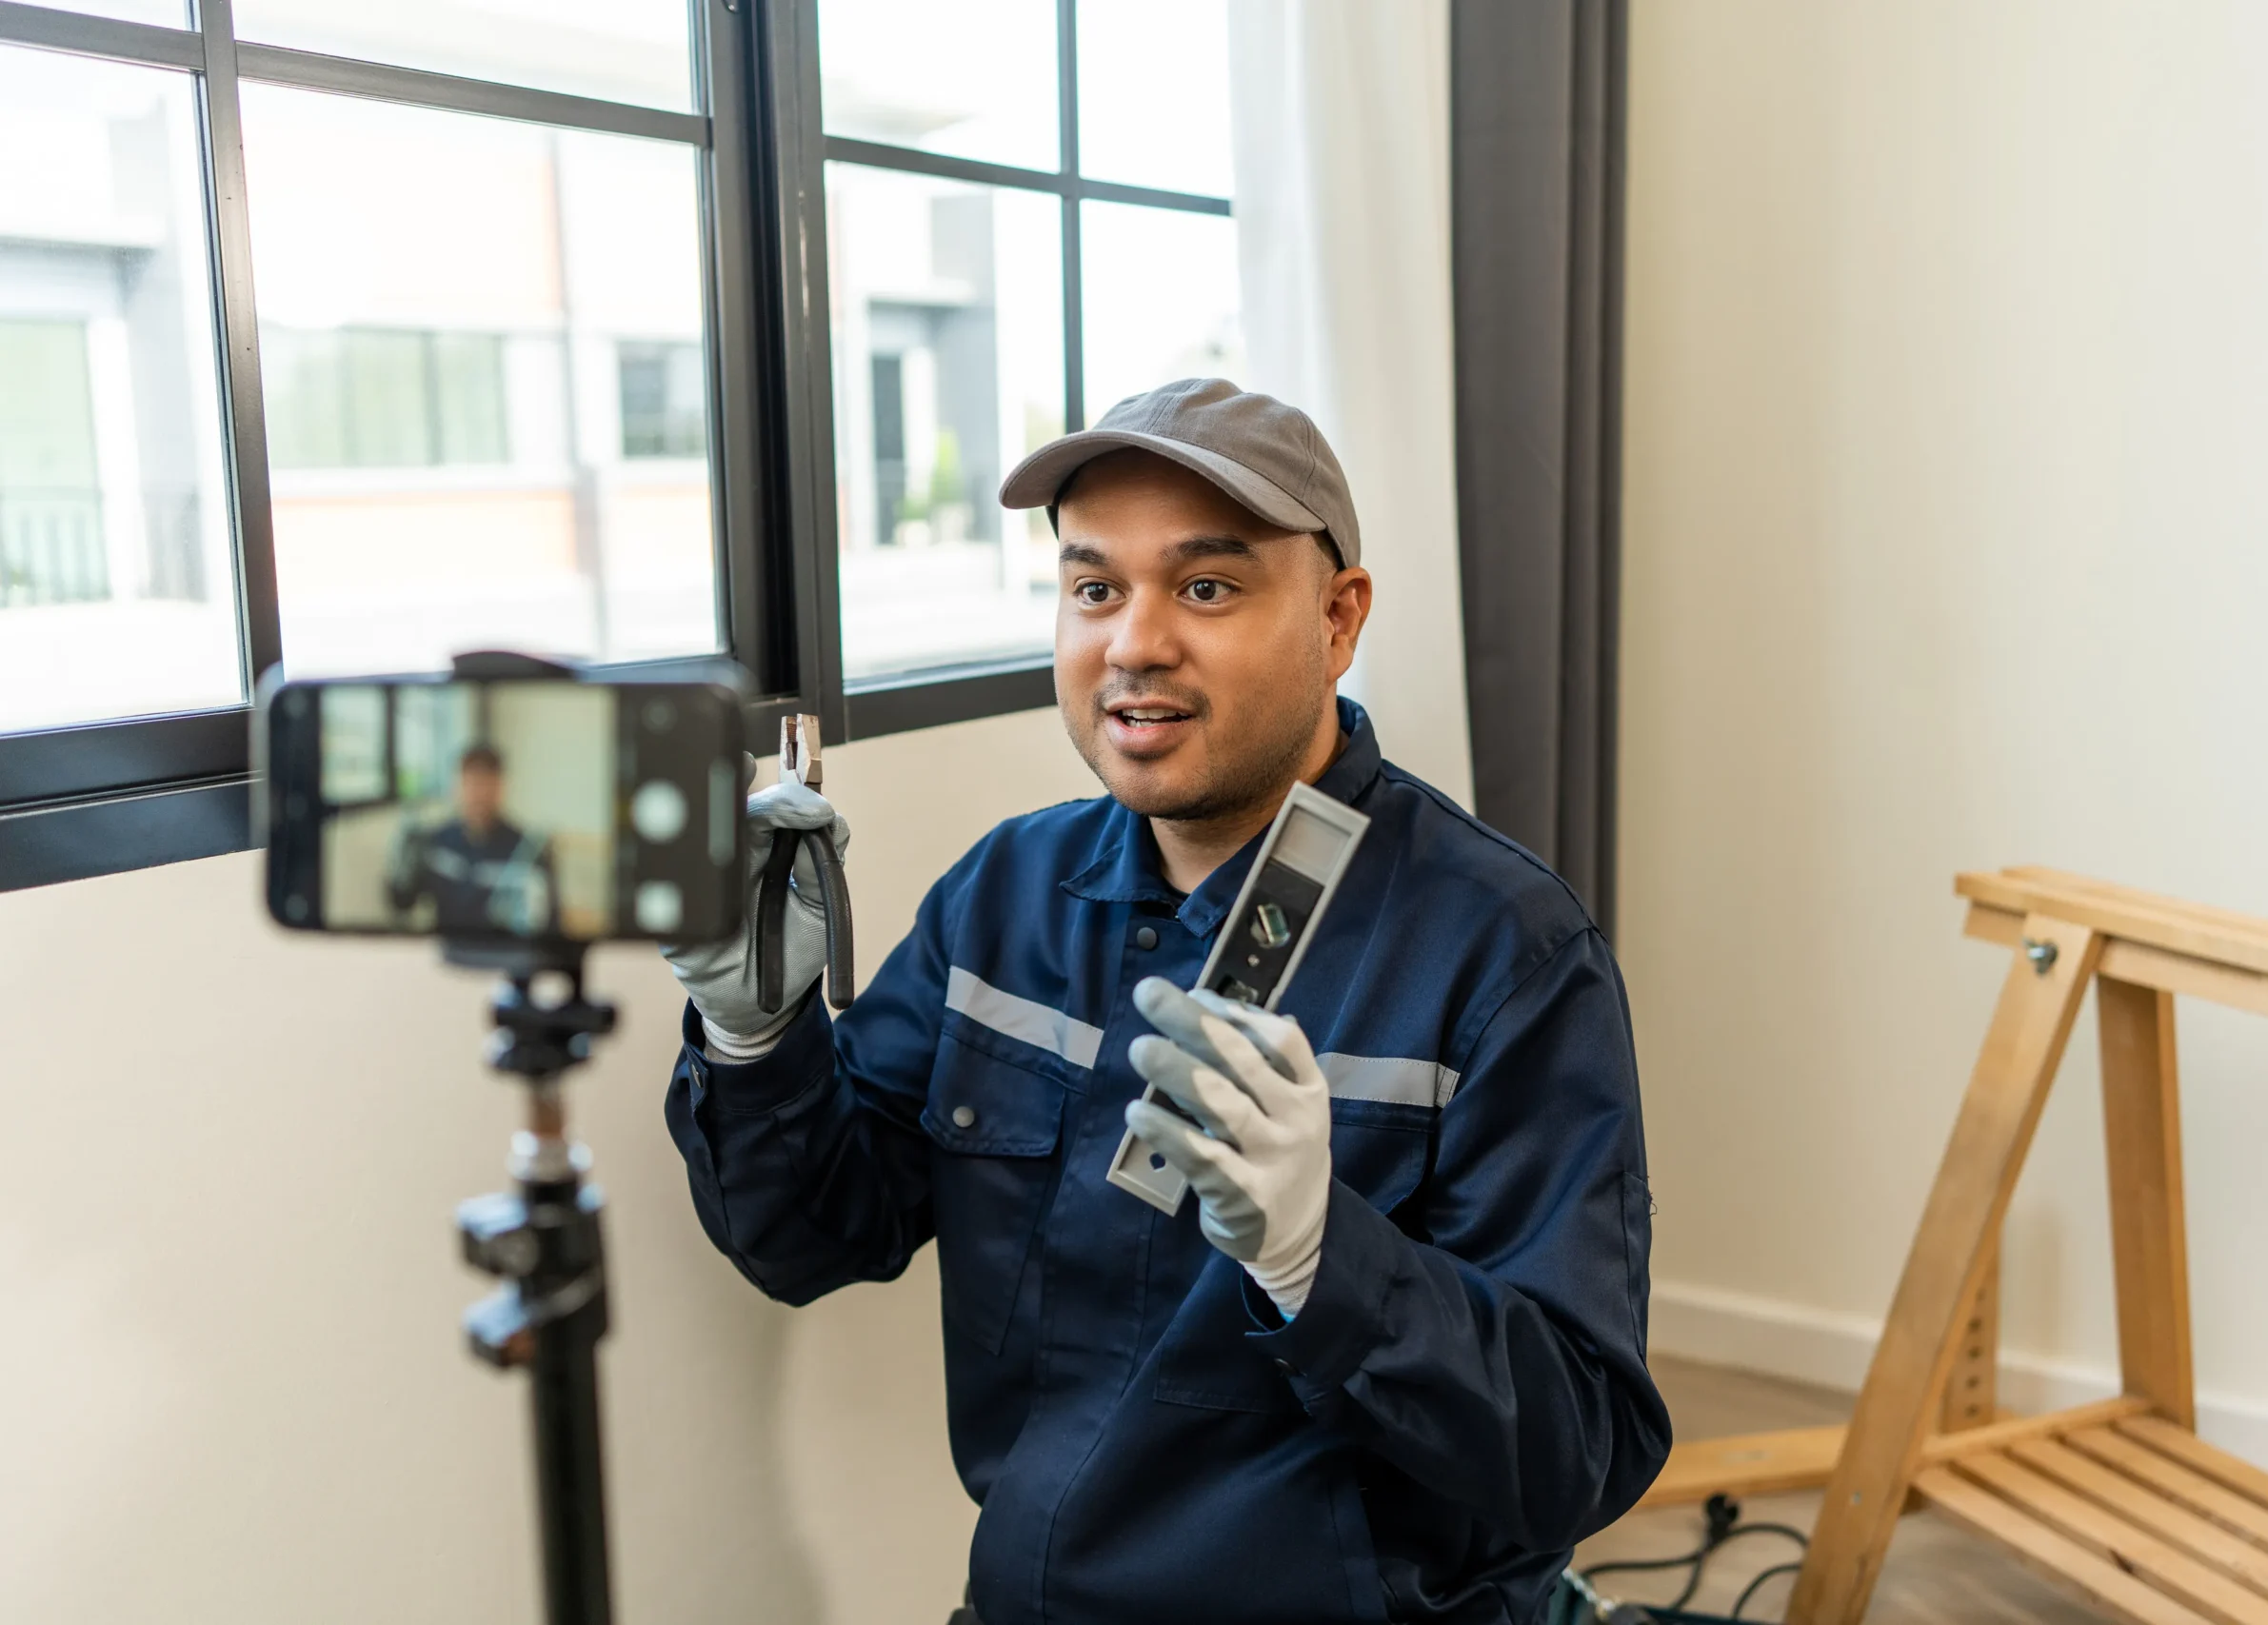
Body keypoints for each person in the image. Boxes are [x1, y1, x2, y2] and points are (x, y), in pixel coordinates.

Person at [661, 378, 1668, 1624]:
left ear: (1340, 617)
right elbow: (810, 1236)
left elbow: (1578, 1447)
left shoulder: (1505, 952)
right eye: (1095, 588)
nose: (1134, 642)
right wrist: (757, 1036)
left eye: (1206, 586)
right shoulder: (1004, 896)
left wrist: (1321, 1257)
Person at [385, 743, 558, 936]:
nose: (479, 794)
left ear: (500, 787)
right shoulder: (437, 842)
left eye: (487, 783)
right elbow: (402, 904)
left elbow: (549, 928)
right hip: (448, 952)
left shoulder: (528, 851)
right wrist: (400, 865)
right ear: (457, 787)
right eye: (471, 783)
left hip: (503, 957)